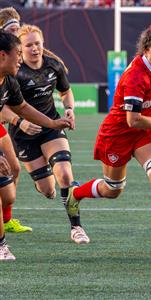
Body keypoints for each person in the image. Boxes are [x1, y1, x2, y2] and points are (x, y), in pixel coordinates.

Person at [65, 22, 151, 253]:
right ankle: (76, 193)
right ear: (145, 51)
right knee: (113, 189)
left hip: (144, 132)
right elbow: (133, 120)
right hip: (118, 134)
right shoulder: (135, 76)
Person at [4, 24, 90, 244]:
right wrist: (20, 122)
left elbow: (65, 91)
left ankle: (76, 227)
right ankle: (43, 182)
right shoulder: (14, 73)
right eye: (29, 45)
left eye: (38, 44)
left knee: (65, 174)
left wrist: (68, 110)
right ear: (20, 50)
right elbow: (10, 107)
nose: (34, 49)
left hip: (50, 128)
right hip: (23, 134)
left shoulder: (54, 65)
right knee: (48, 190)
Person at [0, 6, 38, 234]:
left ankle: (6, 221)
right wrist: (19, 122)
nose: (19, 32)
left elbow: (19, 105)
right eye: (13, 29)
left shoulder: (15, 59)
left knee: (14, 169)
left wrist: (53, 122)